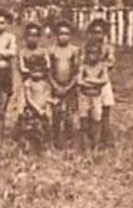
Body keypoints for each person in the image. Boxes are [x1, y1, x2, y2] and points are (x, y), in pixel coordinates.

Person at [17, 21, 51, 151]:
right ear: (26, 37)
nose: (32, 38)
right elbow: (22, 68)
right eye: (30, 35)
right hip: (27, 85)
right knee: (22, 112)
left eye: (36, 35)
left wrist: (40, 69)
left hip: (40, 86)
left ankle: (44, 141)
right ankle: (23, 139)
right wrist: (31, 70)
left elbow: (47, 66)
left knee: (44, 114)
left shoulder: (43, 51)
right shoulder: (23, 52)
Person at [48, 19, 80, 148]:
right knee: (56, 113)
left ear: (70, 35)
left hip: (70, 86)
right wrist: (55, 85)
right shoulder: (51, 50)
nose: (63, 37)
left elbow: (77, 71)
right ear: (56, 35)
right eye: (60, 34)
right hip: (55, 85)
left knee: (69, 114)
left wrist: (69, 86)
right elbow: (48, 71)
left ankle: (69, 140)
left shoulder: (74, 50)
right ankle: (56, 139)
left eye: (66, 34)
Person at [85, 16, 116, 149]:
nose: (98, 36)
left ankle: (106, 139)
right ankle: (92, 139)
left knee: (106, 109)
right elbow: (83, 63)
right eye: (95, 32)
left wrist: (100, 65)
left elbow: (110, 63)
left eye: (100, 32)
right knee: (92, 111)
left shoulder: (108, 48)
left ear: (105, 34)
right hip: (89, 81)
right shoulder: (87, 47)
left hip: (103, 82)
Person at [78, 36, 110, 152]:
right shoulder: (83, 66)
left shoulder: (102, 66)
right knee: (84, 120)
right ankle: (85, 147)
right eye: (89, 53)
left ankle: (95, 146)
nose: (92, 56)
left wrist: (90, 81)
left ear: (99, 54)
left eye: (95, 53)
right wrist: (95, 83)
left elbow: (104, 80)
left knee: (97, 120)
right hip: (84, 96)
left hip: (97, 97)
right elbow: (79, 81)